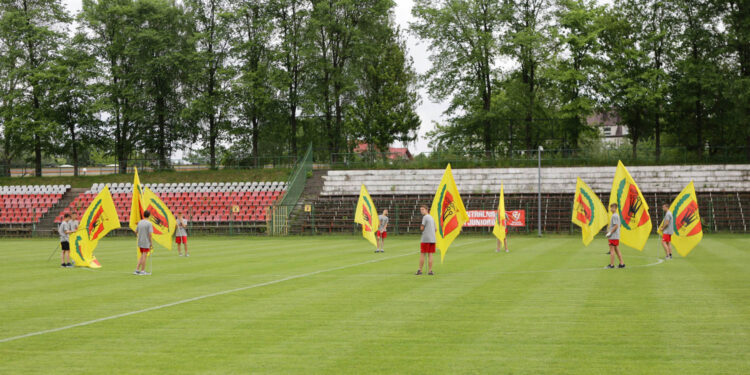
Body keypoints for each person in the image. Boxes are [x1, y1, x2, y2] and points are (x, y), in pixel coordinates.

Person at [416, 206, 436, 276]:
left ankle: (420, 270)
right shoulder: (432, 217)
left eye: (423, 209)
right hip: (432, 239)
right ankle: (430, 271)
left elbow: (422, 228)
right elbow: (436, 229)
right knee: (430, 254)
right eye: (420, 209)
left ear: (427, 210)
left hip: (425, 239)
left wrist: (422, 228)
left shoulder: (425, 217)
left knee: (423, 254)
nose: (421, 211)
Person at [606, 203, 625, 269]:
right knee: (617, 250)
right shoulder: (617, 215)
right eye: (611, 208)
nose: (611, 209)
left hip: (613, 236)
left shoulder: (614, 216)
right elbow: (619, 225)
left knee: (612, 250)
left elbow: (616, 225)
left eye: (612, 208)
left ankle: (611, 265)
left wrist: (610, 232)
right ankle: (622, 264)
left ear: (615, 208)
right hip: (615, 236)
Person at [135, 211, 154, 275]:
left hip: (140, 241)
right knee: (144, 256)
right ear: (149, 216)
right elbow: (150, 234)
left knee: (142, 255)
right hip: (146, 242)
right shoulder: (149, 223)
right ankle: (142, 270)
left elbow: (135, 231)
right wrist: (151, 243)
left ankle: (137, 269)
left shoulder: (140, 222)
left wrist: (140, 235)